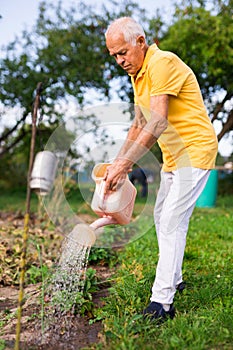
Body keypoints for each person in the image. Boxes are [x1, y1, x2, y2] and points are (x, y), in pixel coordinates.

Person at [104, 17, 218, 321]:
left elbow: (157, 121)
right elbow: (139, 123)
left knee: (170, 221)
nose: (119, 61)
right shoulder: (138, 74)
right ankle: (176, 280)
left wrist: (127, 164)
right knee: (163, 217)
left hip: (194, 150)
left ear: (141, 42)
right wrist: (117, 163)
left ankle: (162, 302)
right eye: (114, 55)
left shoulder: (162, 62)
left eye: (122, 52)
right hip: (174, 155)